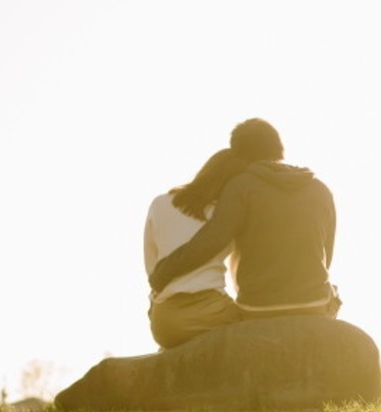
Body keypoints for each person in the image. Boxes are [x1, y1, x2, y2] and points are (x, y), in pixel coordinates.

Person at [148, 118, 340, 325]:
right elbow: (325, 256)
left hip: (257, 307)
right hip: (314, 304)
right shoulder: (321, 189)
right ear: (279, 148)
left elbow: (211, 241)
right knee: (334, 292)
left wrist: (162, 273)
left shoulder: (241, 186)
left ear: (237, 152)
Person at [144, 148, 246, 349]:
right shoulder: (225, 216)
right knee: (258, 328)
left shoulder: (159, 203)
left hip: (163, 320)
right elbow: (239, 275)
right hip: (210, 310)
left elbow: (151, 265)